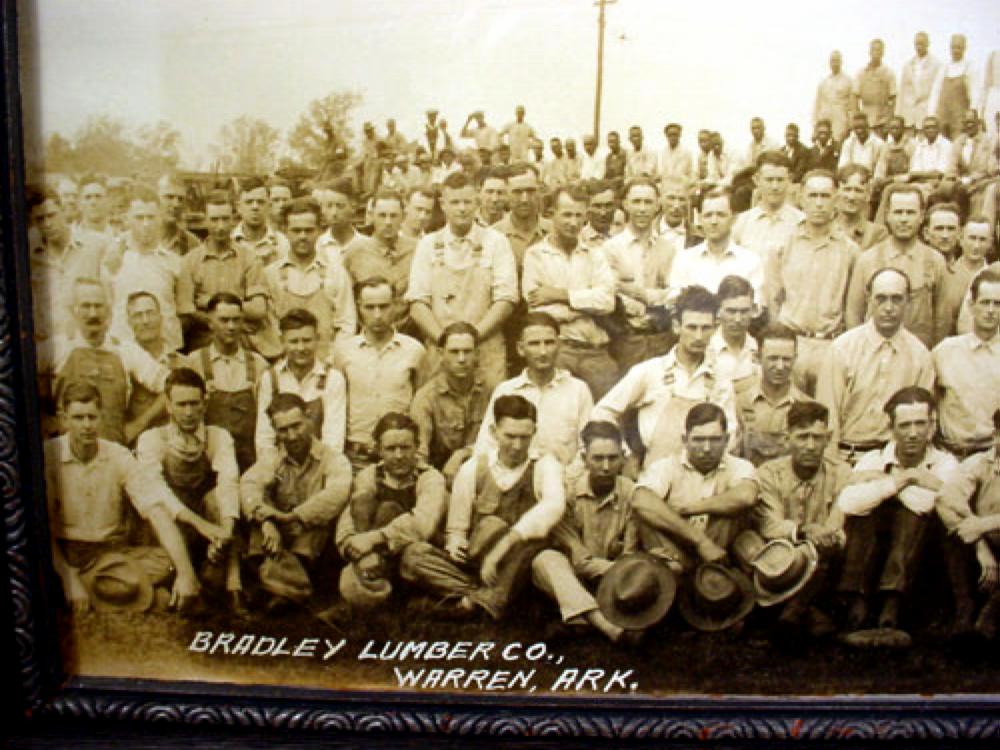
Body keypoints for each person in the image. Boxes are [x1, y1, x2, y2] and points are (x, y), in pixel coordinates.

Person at [400, 394, 565, 621]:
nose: (517, 446)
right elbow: (457, 527)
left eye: (525, 437)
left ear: (534, 433)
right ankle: (483, 597)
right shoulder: (473, 468)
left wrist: (505, 545)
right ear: (493, 431)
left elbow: (553, 506)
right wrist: (456, 544)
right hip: (479, 560)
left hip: (517, 561)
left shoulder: (544, 466)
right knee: (414, 555)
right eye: (510, 436)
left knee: (527, 543)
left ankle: (470, 602)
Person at [45, 381, 200, 614]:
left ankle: (104, 589)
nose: (87, 425)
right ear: (63, 419)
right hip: (65, 554)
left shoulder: (118, 455)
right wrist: (68, 576)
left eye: (92, 417)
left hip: (111, 552)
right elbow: (40, 527)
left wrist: (186, 573)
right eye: (78, 418)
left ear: (101, 417)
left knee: (168, 560)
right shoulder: (47, 455)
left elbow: (156, 511)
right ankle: (128, 592)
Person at [835, 387, 957, 633]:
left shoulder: (946, 463)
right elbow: (848, 503)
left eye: (920, 424)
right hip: (875, 541)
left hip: (922, 549)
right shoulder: (873, 458)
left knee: (909, 514)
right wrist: (905, 480)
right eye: (904, 425)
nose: (913, 433)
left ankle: (892, 602)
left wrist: (881, 486)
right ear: (891, 429)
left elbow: (926, 505)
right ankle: (857, 598)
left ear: (932, 426)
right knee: (862, 515)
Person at [136, 367, 247, 616]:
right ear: (168, 405)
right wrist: (201, 526)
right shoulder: (152, 439)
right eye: (181, 404)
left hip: (206, 528)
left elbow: (229, 483)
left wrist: (225, 533)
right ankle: (185, 578)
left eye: (194, 404)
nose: (188, 412)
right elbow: (158, 492)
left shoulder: (218, 436)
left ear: (204, 404)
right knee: (158, 510)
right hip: (171, 527)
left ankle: (234, 587)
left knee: (219, 498)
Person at [530, 421, 650, 643]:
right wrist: (614, 566)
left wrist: (620, 567)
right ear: (584, 458)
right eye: (598, 458)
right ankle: (610, 628)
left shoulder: (633, 493)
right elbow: (579, 561)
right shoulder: (565, 493)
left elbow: (629, 555)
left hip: (616, 583)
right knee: (545, 560)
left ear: (623, 457)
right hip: (573, 579)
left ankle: (580, 619)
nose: (606, 466)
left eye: (613, 458)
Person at [592, 285, 736, 469]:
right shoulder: (650, 371)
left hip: (704, 474)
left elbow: (731, 431)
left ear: (715, 329)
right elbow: (602, 412)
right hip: (654, 472)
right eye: (692, 327)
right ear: (676, 326)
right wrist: (625, 455)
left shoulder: (720, 376)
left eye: (705, 328)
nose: (698, 336)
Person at [241, 392, 353, 612]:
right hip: (279, 535)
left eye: (297, 426)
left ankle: (277, 586)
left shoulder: (332, 459)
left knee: (315, 529)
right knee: (257, 525)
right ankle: (288, 588)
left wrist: (291, 516)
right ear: (275, 431)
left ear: (309, 419)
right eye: (283, 430)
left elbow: (337, 493)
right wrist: (266, 521)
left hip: (311, 539)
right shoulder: (273, 458)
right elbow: (248, 484)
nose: (292, 436)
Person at [406, 171, 518, 390]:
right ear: (443, 204)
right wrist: (446, 343)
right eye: (455, 202)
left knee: (489, 413)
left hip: (485, 349)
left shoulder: (496, 242)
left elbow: (506, 300)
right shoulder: (428, 245)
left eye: (467, 201)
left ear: (477, 202)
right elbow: (417, 303)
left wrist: (472, 340)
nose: (462, 208)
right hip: (440, 348)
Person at [817, 268, 935, 463]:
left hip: (896, 460)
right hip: (847, 456)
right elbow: (827, 416)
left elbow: (922, 419)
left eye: (896, 299)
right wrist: (833, 466)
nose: (889, 308)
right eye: (881, 298)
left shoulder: (920, 355)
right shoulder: (842, 348)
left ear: (908, 301)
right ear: (869, 298)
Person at [753, 400, 851, 636]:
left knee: (831, 547)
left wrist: (823, 535)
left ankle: (792, 613)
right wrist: (804, 530)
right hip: (783, 557)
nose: (810, 446)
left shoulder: (841, 472)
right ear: (787, 439)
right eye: (802, 437)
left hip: (825, 555)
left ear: (828, 439)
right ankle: (808, 612)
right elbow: (770, 524)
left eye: (817, 438)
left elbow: (836, 525)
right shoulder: (768, 473)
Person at [335, 412, 448, 611]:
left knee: (388, 510)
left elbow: (423, 523)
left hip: (415, 552)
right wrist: (354, 550)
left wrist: (373, 538)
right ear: (378, 450)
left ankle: (363, 595)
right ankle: (369, 581)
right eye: (390, 448)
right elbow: (348, 519)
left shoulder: (430, 477)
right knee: (362, 501)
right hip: (372, 557)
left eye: (405, 447)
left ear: (417, 447)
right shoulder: (369, 475)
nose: (398, 456)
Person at [40, 278, 169, 445]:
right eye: (86, 306)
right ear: (74, 311)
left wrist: (138, 425)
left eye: (98, 306)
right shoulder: (58, 347)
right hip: (68, 453)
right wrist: (47, 421)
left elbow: (173, 385)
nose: (93, 314)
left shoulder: (125, 350)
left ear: (109, 312)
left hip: (113, 452)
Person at [632, 402, 758, 574]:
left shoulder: (739, 466)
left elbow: (746, 496)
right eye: (698, 439)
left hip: (721, 554)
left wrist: (689, 508)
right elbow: (641, 499)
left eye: (714, 440)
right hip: (675, 551)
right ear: (685, 440)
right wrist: (701, 542)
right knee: (648, 516)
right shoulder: (666, 466)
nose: (706, 449)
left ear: (727, 440)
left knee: (736, 513)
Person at [521, 186, 618, 399]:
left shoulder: (595, 255)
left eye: (578, 216)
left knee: (607, 415)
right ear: (551, 214)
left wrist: (561, 295)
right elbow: (539, 309)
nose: (573, 223)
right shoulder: (536, 255)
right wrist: (586, 308)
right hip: (558, 350)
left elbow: (607, 302)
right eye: (566, 214)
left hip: (596, 351)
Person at [767, 169, 859, 394]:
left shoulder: (850, 251)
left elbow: (853, 307)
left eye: (825, 196)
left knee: (826, 416)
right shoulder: (782, 246)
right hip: (792, 344)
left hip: (829, 346)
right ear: (801, 199)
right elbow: (773, 299)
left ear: (836, 200)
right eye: (813, 196)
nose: (819, 204)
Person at [475, 312, 592, 468]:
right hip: (512, 480)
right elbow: (486, 445)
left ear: (559, 345)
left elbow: (587, 446)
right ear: (520, 349)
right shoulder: (506, 390)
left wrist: (570, 477)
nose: (543, 352)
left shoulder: (578, 390)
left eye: (549, 343)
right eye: (534, 344)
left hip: (564, 479)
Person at [333, 276, 426, 470]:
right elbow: (337, 405)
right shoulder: (343, 351)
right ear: (359, 308)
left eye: (384, 306)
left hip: (400, 456)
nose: (377, 315)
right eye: (370, 307)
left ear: (395, 306)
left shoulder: (414, 350)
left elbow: (422, 406)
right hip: (356, 456)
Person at [846, 185, 946, 347]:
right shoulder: (867, 259)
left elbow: (941, 321)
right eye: (898, 212)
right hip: (872, 354)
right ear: (888, 216)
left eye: (910, 212)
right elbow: (853, 314)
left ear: (921, 216)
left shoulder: (935, 261)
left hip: (916, 355)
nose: (904, 219)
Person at [176, 191, 271, 354]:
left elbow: (259, 309)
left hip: (241, 346)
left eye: (225, 219)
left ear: (233, 220)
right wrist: (237, 317)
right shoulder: (189, 261)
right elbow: (187, 310)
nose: (220, 226)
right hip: (201, 345)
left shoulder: (249, 258)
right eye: (214, 219)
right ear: (205, 220)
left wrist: (209, 303)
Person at [600, 177, 678, 371]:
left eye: (648, 202)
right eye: (636, 202)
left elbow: (673, 292)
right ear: (625, 204)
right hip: (626, 338)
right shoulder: (611, 248)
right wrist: (652, 298)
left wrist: (635, 292)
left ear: (658, 205)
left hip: (661, 337)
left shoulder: (668, 248)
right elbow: (610, 291)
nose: (642, 208)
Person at [264, 196, 356, 357]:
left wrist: (333, 360)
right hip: (283, 362)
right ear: (285, 231)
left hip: (327, 363)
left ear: (319, 230)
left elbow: (346, 324)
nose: (302, 236)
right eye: (296, 230)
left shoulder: (335, 273)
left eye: (309, 230)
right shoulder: (270, 275)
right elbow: (269, 326)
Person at [187, 293, 268, 473]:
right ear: (210, 323)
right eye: (224, 320)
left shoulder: (258, 364)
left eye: (236, 320)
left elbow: (267, 424)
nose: (231, 327)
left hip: (249, 462)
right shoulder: (194, 362)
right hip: (207, 462)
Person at [938, 408, 1000, 638]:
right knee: (951, 531)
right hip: (987, 543)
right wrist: (981, 545)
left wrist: (983, 525)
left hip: (988, 530)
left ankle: (992, 611)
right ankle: (965, 609)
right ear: (995, 436)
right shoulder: (980, 463)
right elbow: (946, 498)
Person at [255, 308, 346, 457]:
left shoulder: (333, 379)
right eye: (294, 341)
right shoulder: (271, 378)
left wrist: (319, 473)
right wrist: (273, 470)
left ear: (317, 338)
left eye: (307, 340)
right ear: (282, 341)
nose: (301, 348)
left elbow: (333, 440)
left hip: (320, 464)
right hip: (280, 466)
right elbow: (264, 438)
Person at [409, 322, 490, 486]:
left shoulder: (493, 391)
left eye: (467, 352)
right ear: (441, 354)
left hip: (482, 472)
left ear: (477, 353)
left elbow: (498, 443)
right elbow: (420, 453)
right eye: (454, 352)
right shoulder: (426, 397)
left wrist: (462, 454)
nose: (461, 359)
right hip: (439, 474)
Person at [932, 267, 1000, 458]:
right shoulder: (945, 351)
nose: (990, 311)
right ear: (971, 306)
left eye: (997, 304)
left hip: (993, 458)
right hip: (950, 455)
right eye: (985, 302)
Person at [26, 185, 109, 341]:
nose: (47, 224)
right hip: (47, 345)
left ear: (63, 210)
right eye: (40, 219)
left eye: (51, 215)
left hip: (89, 341)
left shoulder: (96, 245)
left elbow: (111, 297)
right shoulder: (28, 252)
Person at [108, 186, 183, 353]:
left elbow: (184, 310)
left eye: (151, 217)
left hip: (166, 353)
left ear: (160, 219)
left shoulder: (175, 263)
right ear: (127, 219)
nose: (146, 224)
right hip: (123, 352)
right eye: (139, 217)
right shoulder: (112, 260)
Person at [669, 188, 764, 301]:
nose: (714, 221)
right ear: (700, 219)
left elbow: (755, 308)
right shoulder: (684, 260)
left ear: (733, 219)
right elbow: (675, 304)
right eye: (708, 215)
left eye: (721, 215)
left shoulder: (750, 262)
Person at [342, 189, 416, 332]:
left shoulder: (417, 249)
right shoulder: (354, 252)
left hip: (410, 334)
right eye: (382, 215)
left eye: (394, 216)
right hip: (368, 333)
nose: (388, 222)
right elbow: (345, 300)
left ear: (403, 217)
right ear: (372, 216)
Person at [734, 324, 808, 466]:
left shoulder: (804, 406)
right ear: (757, 358)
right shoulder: (740, 401)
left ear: (795, 359)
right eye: (773, 358)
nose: (780, 367)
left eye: (786, 359)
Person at [731, 151, 805, 266]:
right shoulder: (741, 223)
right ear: (756, 180)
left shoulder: (801, 222)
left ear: (789, 180)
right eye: (769, 180)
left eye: (780, 180)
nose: (775, 187)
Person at [940, 217, 992, 340]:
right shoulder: (945, 273)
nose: (976, 245)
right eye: (972, 238)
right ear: (961, 239)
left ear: (990, 243)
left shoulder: (994, 278)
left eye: (982, 239)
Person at [491, 163, 549, 269]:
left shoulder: (555, 232)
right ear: (506, 194)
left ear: (539, 191)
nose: (524, 199)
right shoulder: (493, 236)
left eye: (530, 191)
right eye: (517, 192)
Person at [708, 275, 759, 388]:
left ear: (753, 310)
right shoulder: (705, 349)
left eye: (744, 311)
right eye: (731, 311)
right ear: (718, 311)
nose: (738, 319)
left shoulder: (760, 348)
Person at [928, 34, 979, 140]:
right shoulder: (944, 68)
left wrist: (972, 113)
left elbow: (975, 93)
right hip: (942, 116)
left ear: (964, 49)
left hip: (960, 117)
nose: (955, 50)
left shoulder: (969, 67)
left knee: (958, 142)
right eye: (953, 47)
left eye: (959, 47)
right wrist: (931, 113)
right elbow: (935, 92)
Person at [232, 176, 290, 268]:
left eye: (260, 202)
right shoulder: (229, 241)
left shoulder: (282, 243)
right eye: (249, 202)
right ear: (238, 207)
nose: (255, 207)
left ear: (269, 206)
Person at [833, 164, 888, 250]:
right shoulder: (824, 229)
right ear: (836, 193)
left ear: (868, 195)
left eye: (858, 191)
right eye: (847, 190)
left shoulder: (878, 234)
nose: (852, 197)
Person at [898, 32, 943, 132]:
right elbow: (902, 92)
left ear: (928, 44)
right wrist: (899, 115)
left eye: (922, 43)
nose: (919, 47)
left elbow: (937, 92)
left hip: (925, 114)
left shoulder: (936, 65)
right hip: (909, 117)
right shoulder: (908, 65)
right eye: (917, 44)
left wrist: (933, 114)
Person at [314, 178, 363, 266]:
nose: (334, 213)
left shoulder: (365, 245)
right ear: (322, 209)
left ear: (353, 207)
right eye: (329, 206)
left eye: (340, 206)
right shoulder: (317, 246)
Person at [853, 39, 897, 131]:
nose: (876, 53)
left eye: (879, 50)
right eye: (874, 50)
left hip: (882, 122)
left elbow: (893, 99)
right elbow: (854, 97)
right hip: (865, 122)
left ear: (883, 53)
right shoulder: (861, 73)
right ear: (869, 52)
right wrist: (857, 118)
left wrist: (889, 120)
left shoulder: (888, 73)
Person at [157, 175, 201, 257]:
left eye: (180, 199)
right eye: (169, 197)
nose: (176, 204)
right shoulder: (134, 239)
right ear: (156, 199)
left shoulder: (192, 244)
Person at [814, 51, 853, 142]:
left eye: (837, 61)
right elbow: (817, 106)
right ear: (829, 63)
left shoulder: (848, 81)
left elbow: (852, 106)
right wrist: (815, 127)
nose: (834, 63)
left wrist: (850, 126)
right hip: (825, 120)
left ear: (841, 62)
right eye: (832, 61)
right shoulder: (823, 83)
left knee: (838, 147)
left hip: (840, 122)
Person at [659, 122, 695, 189]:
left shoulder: (686, 152)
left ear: (680, 135)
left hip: (682, 186)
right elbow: (662, 173)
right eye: (670, 135)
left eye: (675, 135)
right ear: (666, 136)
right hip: (666, 186)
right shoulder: (663, 153)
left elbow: (685, 173)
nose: (672, 137)